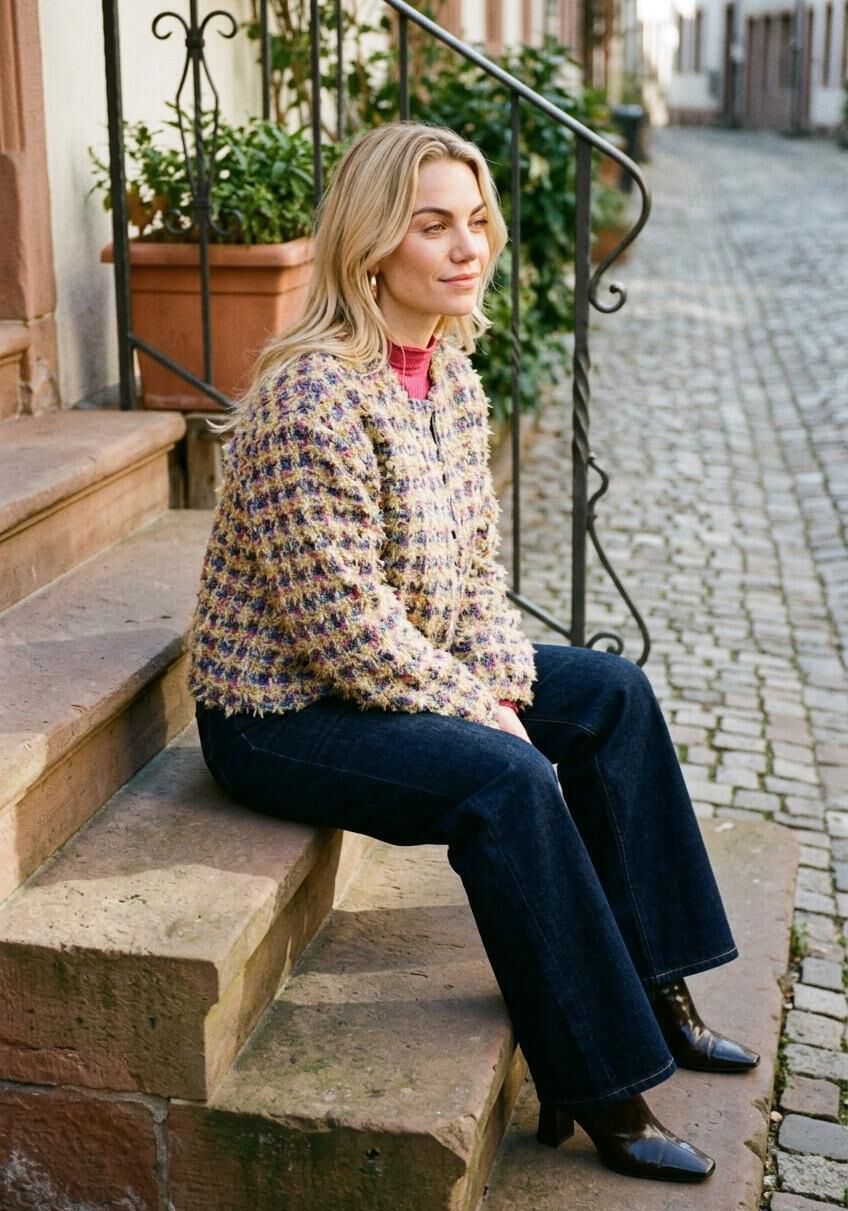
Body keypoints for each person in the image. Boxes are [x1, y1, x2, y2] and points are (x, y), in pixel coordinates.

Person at [188, 121, 759, 1184]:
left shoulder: (445, 373)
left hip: (398, 666)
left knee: (611, 692)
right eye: (433, 225)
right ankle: (602, 1085)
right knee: (504, 776)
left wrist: (493, 672)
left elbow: (479, 573)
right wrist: (481, 707)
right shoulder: (308, 401)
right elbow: (344, 630)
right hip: (282, 712)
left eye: (477, 220)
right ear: (370, 247)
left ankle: (657, 984)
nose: (469, 247)